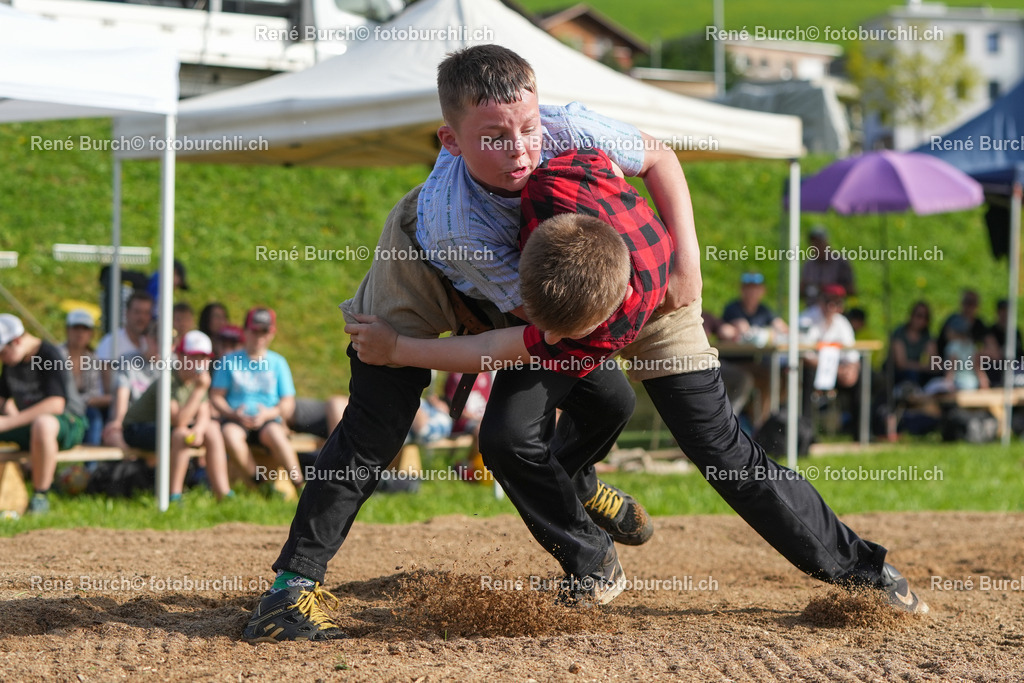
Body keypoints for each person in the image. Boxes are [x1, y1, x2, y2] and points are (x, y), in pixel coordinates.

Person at [349, 140, 928, 616]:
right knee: (506, 437)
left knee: (720, 450)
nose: (514, 147)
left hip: (659, 299)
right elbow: (507, 343)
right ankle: (591, 555)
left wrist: (688, 263)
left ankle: (864, 571)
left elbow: (660, 156)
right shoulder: (527, 180)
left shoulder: (572, 137)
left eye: (519, 129)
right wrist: (403, 347)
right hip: (572, 296)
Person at [121, 331, 231, 502]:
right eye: (193, 357)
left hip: (167, 428)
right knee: (181, 435)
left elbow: (204, 413)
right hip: (137, 428)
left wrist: (199, 430)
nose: (199, 363)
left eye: (203, 357)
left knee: (213, 429)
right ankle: (174, 495)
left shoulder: (197, 380)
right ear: (180, 356)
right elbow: (179, 421)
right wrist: (200, 390)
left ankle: (223, 493)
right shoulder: (169, 381)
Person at [0, 314, 86, 514]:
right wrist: (9, 415)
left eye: (2, 353)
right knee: (38, 424)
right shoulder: (13, 359)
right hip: (29, 424)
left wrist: (9, 422)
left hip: (68, 423)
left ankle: (40, 496)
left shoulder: (48, 355)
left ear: (16, 341)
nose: (2, 359)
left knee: (43, 424)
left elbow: (56, 404)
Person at [210, 307, 302, 488]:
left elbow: (288, 401)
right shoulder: (228, 361)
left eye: (264, 332)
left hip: (268, 420)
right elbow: (216, 396)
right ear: (245, 331)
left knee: (277, 436)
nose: (259, 337)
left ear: (271, 334)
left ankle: (299, 484)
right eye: (254, 331)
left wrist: (268, 414)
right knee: (230, 435)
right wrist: (232, 413)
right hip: (236, 419)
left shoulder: (278, 362)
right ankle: (259, 483)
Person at [59, 309, 110, 445]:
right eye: (76, 328)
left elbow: (93, 392)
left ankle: (91, 457)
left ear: (91, 333)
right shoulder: (56, 355)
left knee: (95, 416)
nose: (80, 333)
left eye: (85, 329)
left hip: (83, 409)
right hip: (60, 407)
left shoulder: (92, 358)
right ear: (67, 330)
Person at [722, 271, 787, 345]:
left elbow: (781, 326)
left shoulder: (764, 310)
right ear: (742, 289)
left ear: (762, 290)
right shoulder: (732, 308)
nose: (752, 292)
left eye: (755, 288)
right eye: (748, 288)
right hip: (736, 351)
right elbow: (742, 327)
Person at [889, 301, 938, 388]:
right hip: (898, 375)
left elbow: (935, 363)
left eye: (926, 317)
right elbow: (901, 364)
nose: (922, 320)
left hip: (918, 372)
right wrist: (923, 366)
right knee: (912, 374)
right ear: (911, 316)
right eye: (919, 316)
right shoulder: (900, 333)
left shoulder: (927, 336)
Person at [800, 226, 855, 301]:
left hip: (834, 305)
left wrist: (828, 289)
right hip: (813, 306)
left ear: (827, 242)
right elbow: (801, 291)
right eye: (813, 243)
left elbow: (851, 289)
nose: (816, 246)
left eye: (819, 243)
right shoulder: (809, 264)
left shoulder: (840, 262)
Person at [95, 290, 154, 362]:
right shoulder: (111, 342)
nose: (142, 317)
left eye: (146, 313)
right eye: (137, 312)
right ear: (127, 313)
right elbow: (104, 368)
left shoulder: (153, 344)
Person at [982, 299, 1023, 387]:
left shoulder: (1015, 331)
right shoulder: (991, 331)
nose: (1005, 314)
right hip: (997, 369)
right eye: (1002, 311)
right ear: (998, 312)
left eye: (1007, 311)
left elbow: (1019, 353)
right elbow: (992, 354)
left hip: (1015, 367)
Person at [936, 289, 987, 358]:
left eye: (972, 303)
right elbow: (949, 337)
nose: (969, 306)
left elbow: (990, 345)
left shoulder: (979, 324)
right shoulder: (953, 320)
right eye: (967, 302)